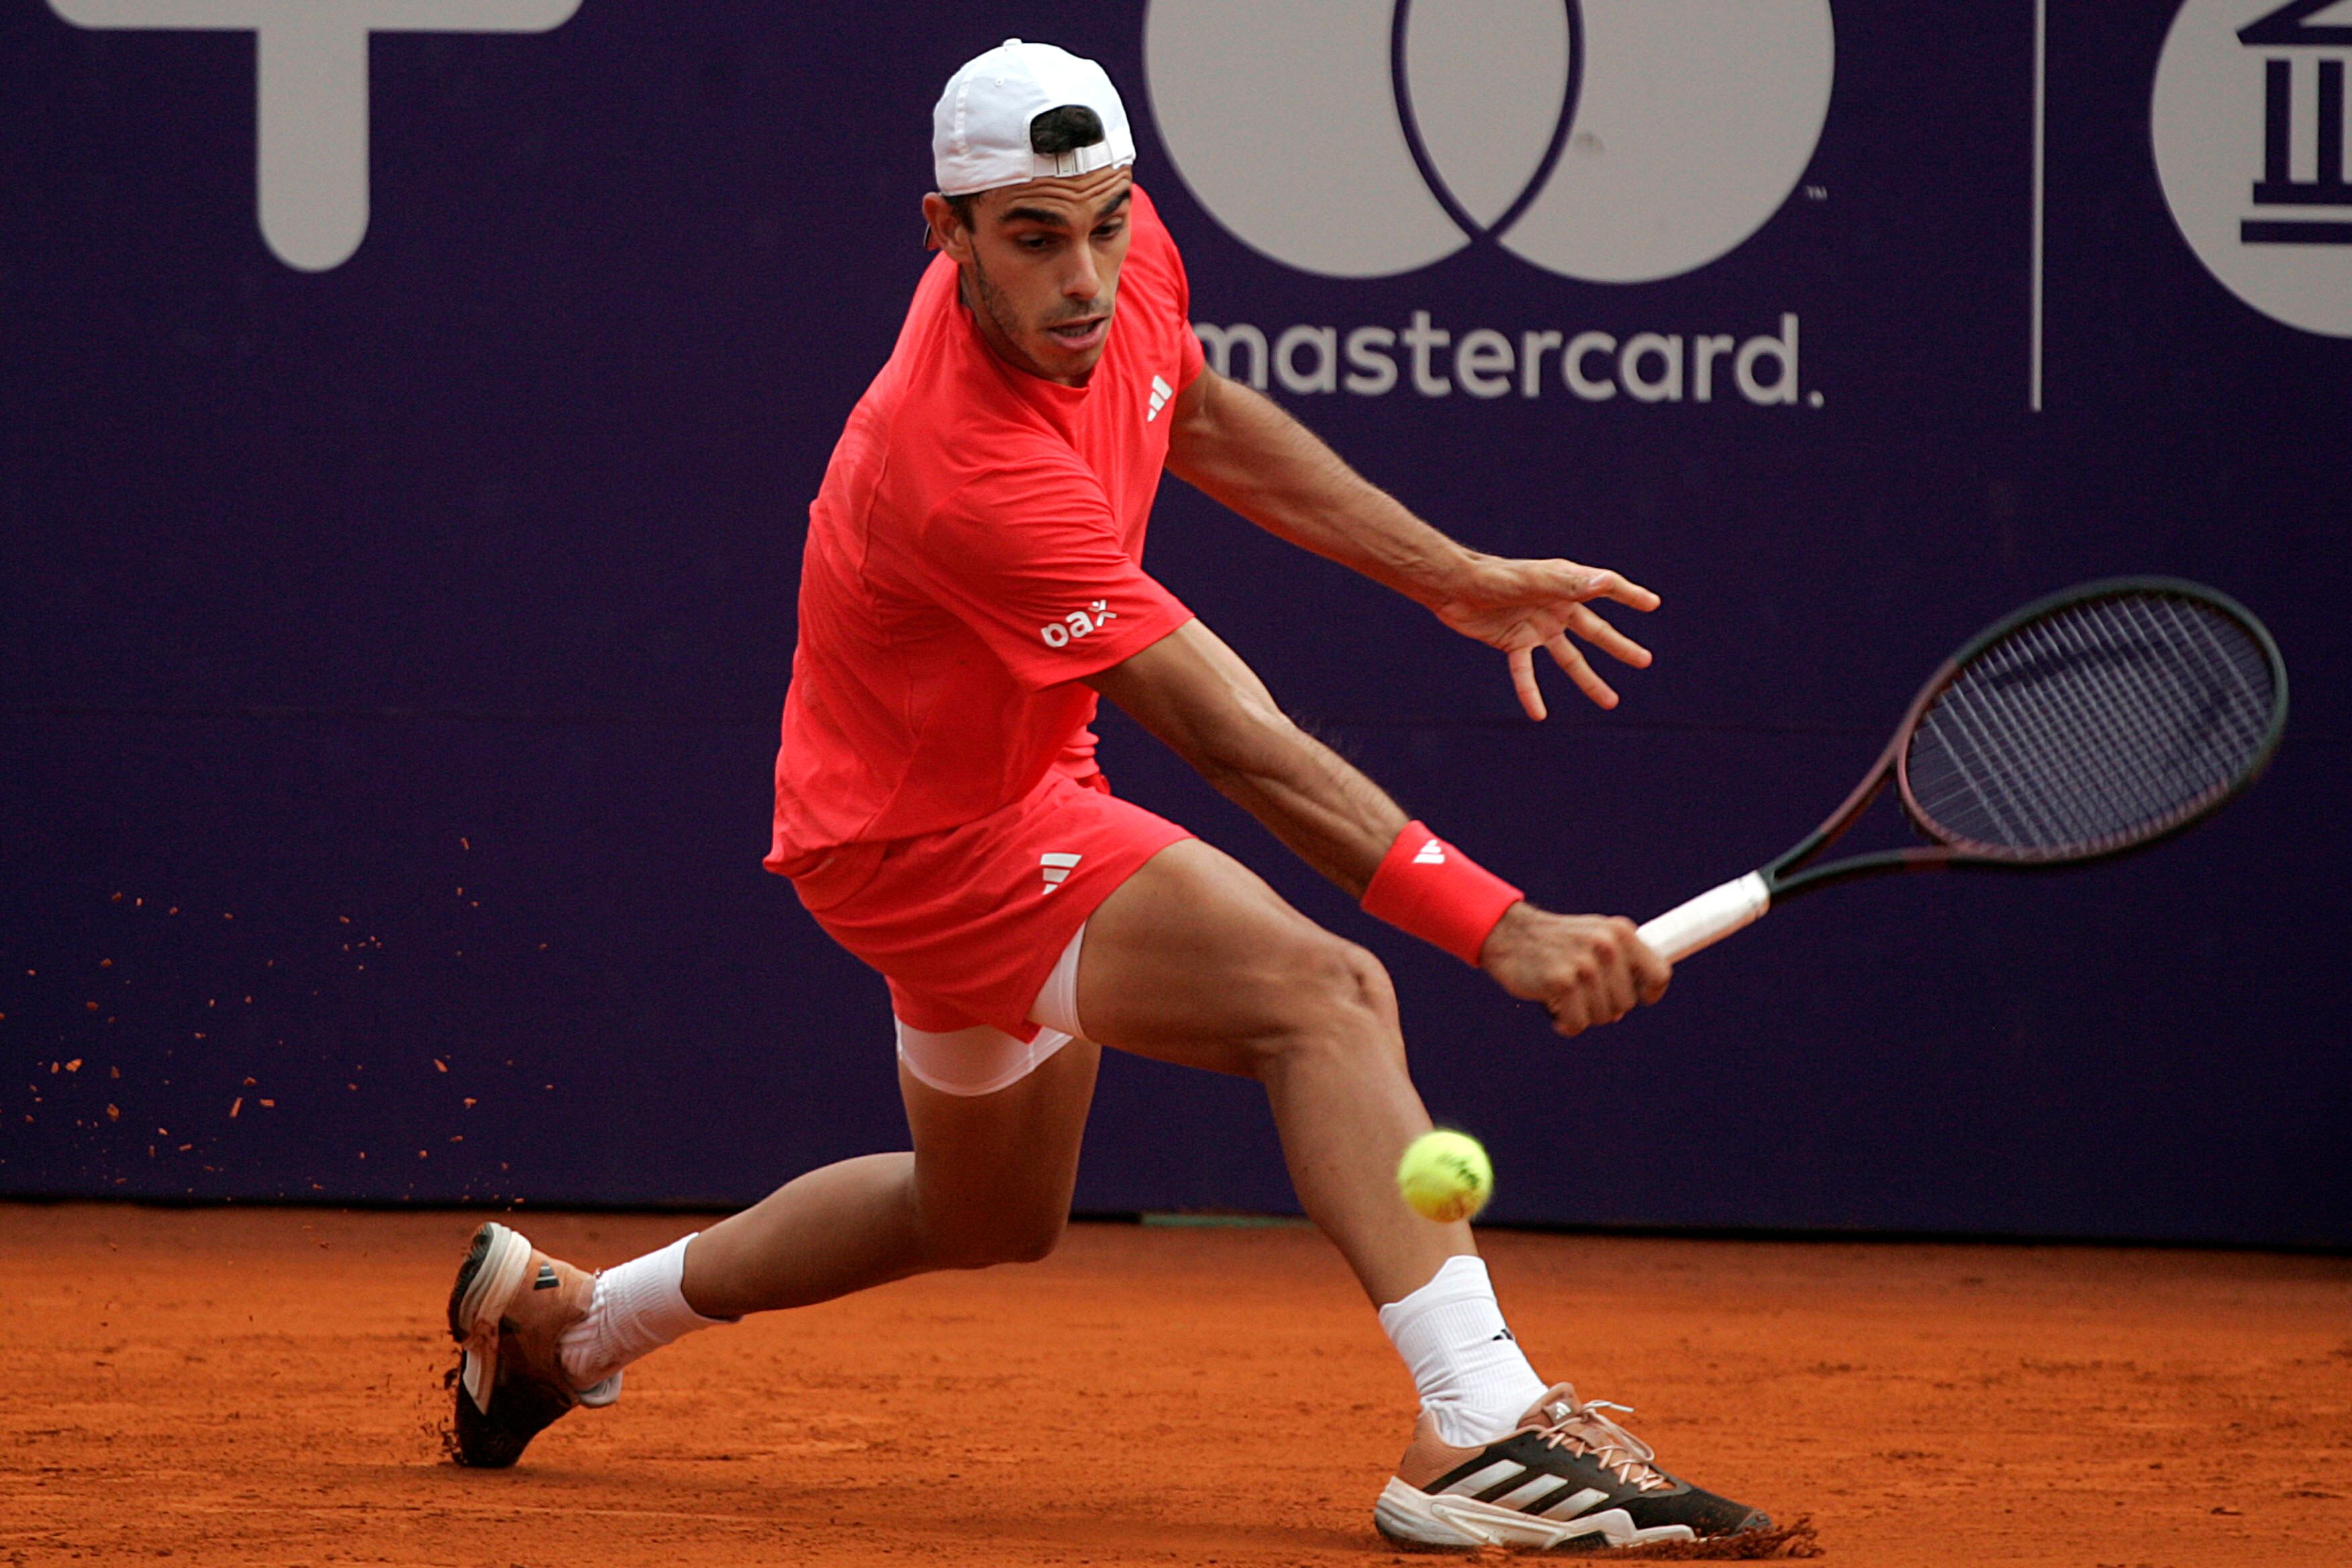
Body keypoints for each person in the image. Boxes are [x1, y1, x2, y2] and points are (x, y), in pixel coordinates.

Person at [444, 39, 1775, 1553]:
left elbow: (1188, 407)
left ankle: (564, 1332)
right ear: (945, 235)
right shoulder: (962, 469)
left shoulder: (1109, 264)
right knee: (1324, 995)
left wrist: (1449, 576)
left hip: (993, 777)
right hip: (930, 840)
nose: (1085, 274)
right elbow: (1236, 737)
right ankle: (1477, 1419)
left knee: (987, 1215)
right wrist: (1502, 926)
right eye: (1033, 239)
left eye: (1108, 222)